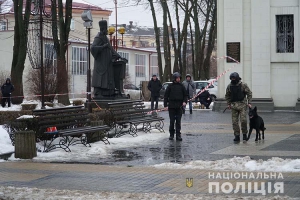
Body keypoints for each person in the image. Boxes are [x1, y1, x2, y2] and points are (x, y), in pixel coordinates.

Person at [91, 20, 123, 98]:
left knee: (108, 77)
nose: (107, 30)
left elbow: (111, 49)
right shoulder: (98, 38)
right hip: (101, 62)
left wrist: (117, 55)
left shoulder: (106, 38)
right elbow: (92, 48)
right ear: (102, 29)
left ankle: (108, 93)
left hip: (107, 62)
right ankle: (98, 93)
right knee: (100, 77)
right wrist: (102, 47)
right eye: (106, 29)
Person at [225, 72, 252, 142]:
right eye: (231, 79)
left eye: (234, 78)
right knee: (235, 122)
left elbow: (249, 93)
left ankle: (244, 134)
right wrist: (228, 104)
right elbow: (227, 95)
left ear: (237, 78)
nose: (233, 80)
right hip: (233, 106)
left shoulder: (243, 85)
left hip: (242, 105)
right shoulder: (229, 86)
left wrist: (249, 102)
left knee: (243, 120)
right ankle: (236, 135)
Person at [164, 72, 187, 141]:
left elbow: (185, 95)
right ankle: (171, 134)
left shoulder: (182, 86)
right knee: (172, 121)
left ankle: (178, 135)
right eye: (177, 78)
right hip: (171, 106)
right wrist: (165, 105)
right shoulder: (170, 86)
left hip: (179, 106)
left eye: (179, 78)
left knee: (178, 121)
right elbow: (166, 96)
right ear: (174, 78)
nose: (178, 79)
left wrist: (184, 102)